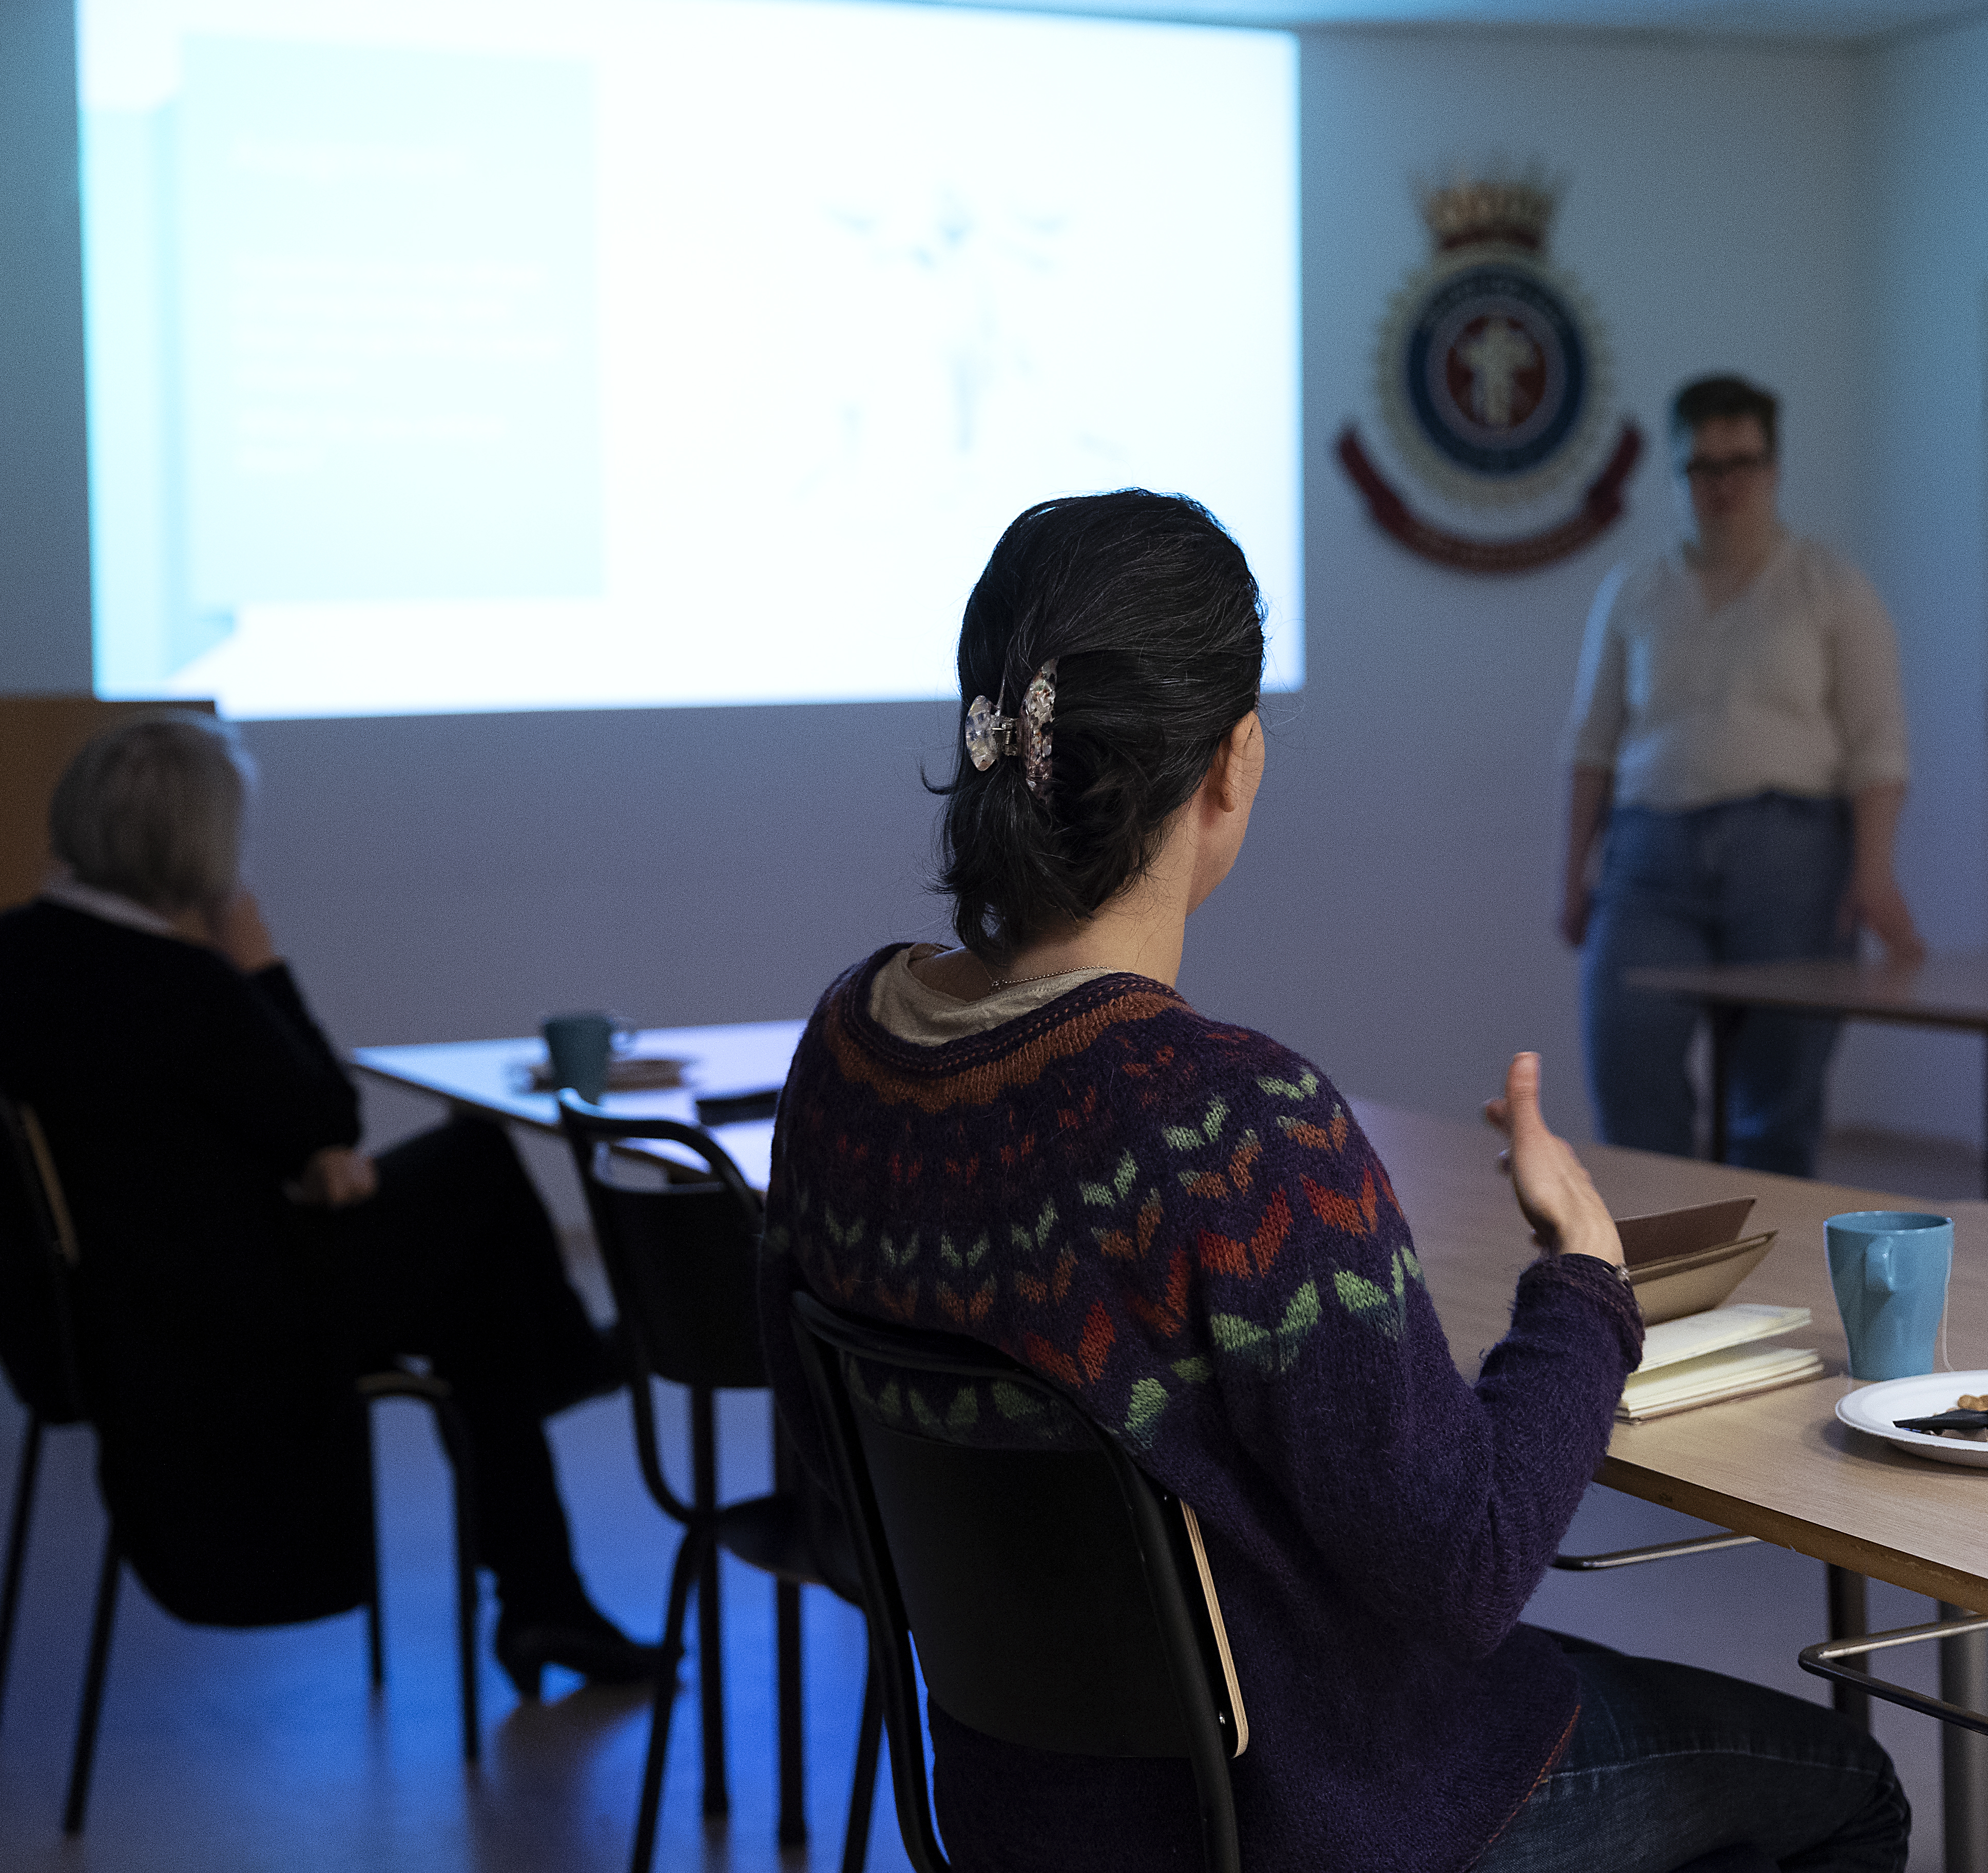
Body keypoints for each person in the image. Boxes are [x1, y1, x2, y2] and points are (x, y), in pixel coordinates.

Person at [757, 491, 1907, 1872]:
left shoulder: (846, 1050)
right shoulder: (1228, 1129)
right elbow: (1466, 1568)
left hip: (1017, 1821)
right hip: (1317, 1817)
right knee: (1844, 1786)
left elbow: (835, 1513)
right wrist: (1586, 1286)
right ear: (1233, 765)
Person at [0, 713, 651, 1695]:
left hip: (114, 1311)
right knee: (478, 1163)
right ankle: (561, 1385)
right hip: (229, 1327)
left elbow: (151, 1132)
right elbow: (326, 1108)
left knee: (480, 1298)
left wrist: (300, 1161)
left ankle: (545, 1601)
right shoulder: (181, 983)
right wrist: (257, 961)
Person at [1560, 375, 1922, 1176]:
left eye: (1742, 463)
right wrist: (1574, 876)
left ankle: (1774, 1275)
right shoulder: (1635, 592)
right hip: (1649, 855)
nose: (1723, 483)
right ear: (1678, 474)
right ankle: (1647, 1268)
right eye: (1702, 466)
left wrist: (1873, 871)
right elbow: (1593, 743)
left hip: (1791, 854)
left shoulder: (1831, 586)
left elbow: (1878, 744)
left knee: (1778, 1099)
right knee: (1630, 1068)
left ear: (1774, 469)